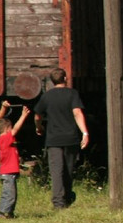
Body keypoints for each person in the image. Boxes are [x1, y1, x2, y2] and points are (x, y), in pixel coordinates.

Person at [34, 68, 89, 210]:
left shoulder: (47, 96)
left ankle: (58, 202)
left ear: (52, 81)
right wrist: (85, 133)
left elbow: (37, 116)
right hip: (70, 138)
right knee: (68, 169)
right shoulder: (72, 94)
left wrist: (39, 127)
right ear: (65, 78)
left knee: (56, 171)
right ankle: (67, 197)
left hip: (53, 139)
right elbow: (77, 113)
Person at [0, 104, 31, 219]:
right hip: (8, 173)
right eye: (10, 128)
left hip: (8, 172)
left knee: (10, 193)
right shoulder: (5, 139)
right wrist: (23, 116)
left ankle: (9, 212)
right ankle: (3, 212)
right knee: (10, 194)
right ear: (7, 129)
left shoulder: (4, 140)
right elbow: (16, 129)